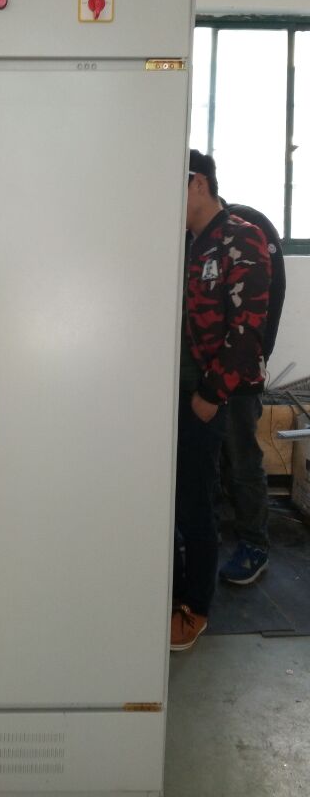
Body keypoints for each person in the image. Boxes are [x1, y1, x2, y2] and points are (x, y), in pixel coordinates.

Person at [172, 150, 270, 651]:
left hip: (217, 393)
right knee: (183, 496)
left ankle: (195, 607)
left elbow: (248, 328)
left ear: (199, 184)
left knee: (202, 497)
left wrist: (211, 395)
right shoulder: (186, 243)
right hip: (182, 392)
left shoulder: (240, 237)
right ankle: (172, 591)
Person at [218, 200, 285, 586]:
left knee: (242, 459)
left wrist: (256, 361)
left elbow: (270, 303)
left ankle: (254, 545)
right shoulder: (192, 234)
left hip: (241, 374)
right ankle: (206, 538)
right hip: (202, 372)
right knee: (208, 461)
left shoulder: (250, 227)